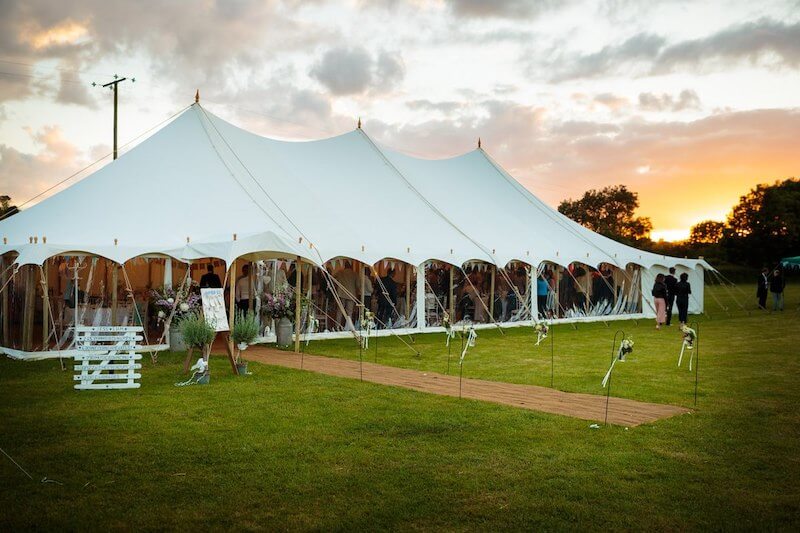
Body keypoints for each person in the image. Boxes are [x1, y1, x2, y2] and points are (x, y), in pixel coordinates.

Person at [333, 263, 358, 330]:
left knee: (340, 311)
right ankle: (348, 326)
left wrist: (337, 284)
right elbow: (358, 285)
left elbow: (332, 277)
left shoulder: (340, 272)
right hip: (351, 294)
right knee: (349, 312)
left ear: (345, 266)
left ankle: (337, 326)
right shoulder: (354, 274)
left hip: (341, 293)